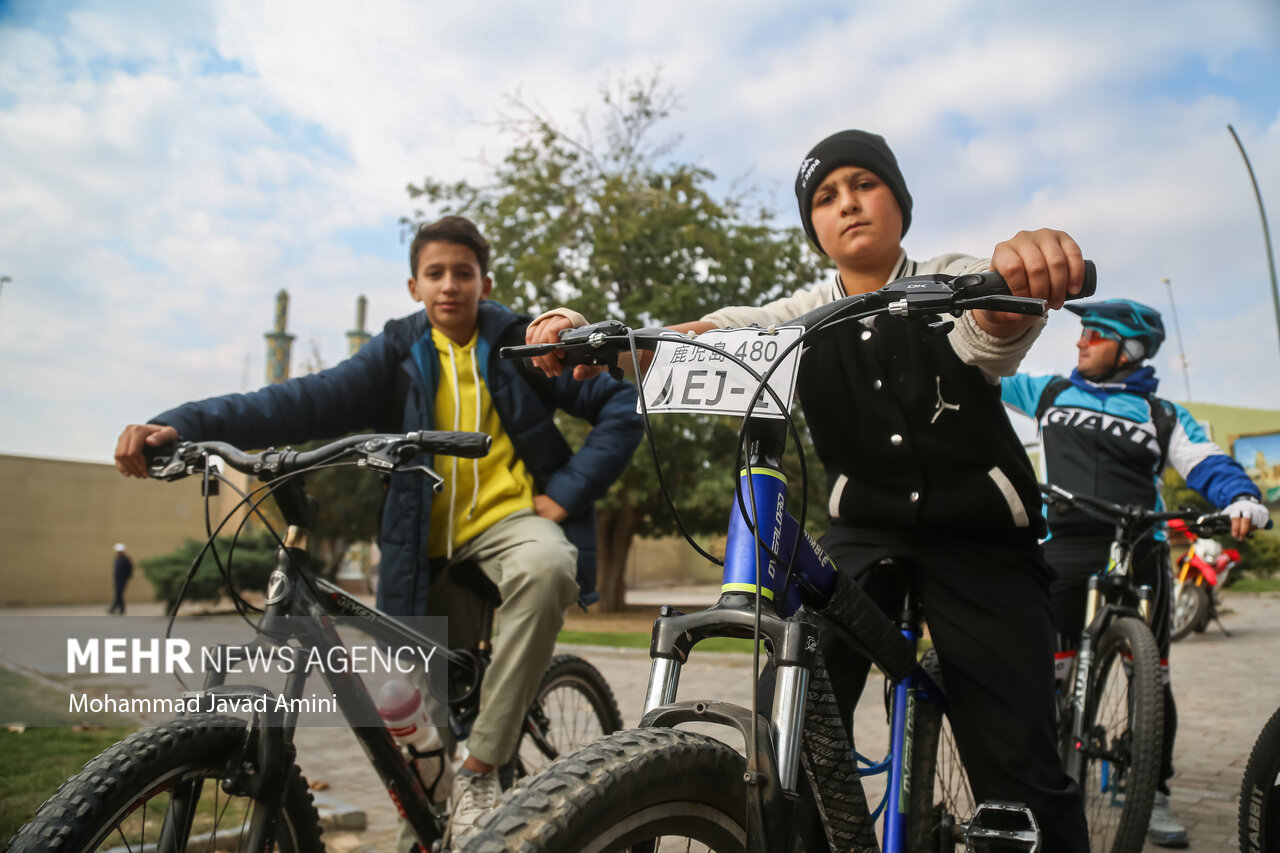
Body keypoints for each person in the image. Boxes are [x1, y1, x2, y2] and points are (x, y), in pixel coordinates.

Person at [526, 129, 1091, 851]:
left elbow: (991, 327)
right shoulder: (796, 316)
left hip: (982, 535)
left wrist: (1017, 277)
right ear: (814, 228)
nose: (847, 203)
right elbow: (711, 335)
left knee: (1018, 760)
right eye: (825, 196)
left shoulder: (952, 277)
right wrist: (605, 340)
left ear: (900, 202)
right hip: (865, 530)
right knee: (790, 722)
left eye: (864, 184)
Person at [114, 215, 644, 844]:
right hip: (419, 556)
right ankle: (443, 797)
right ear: (414, 286)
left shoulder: (516, 343)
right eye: (435, 273)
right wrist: (182, 425)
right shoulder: (396, 353)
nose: (450, 285)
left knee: (548, 567)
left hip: (509, 525)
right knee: (419, 766)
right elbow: (297, 401)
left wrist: (564, 494)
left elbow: (619, 401)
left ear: (486, 281)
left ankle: (482, 766)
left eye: (464, 273)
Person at [1002, 298, 1269, 847]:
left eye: (1095, 334)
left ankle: (1152, 791)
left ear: (1131, 349)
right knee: (1046, 670)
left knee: (1153, 676)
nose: (1080, 342)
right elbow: (981, 370)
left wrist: (1240, 497)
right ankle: (1041, 780)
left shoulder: (1160, 413)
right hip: (1066, 545)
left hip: (1140, 545)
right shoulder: (1049, 392)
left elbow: (1207, 462)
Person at [108, 543, 132, 615]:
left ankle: (113, 607)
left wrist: (127, 577)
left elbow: (130, 569)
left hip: (123, 579)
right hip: (117, 578)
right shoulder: (117, 558)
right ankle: (121, 609)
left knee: (119, 593)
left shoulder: (126, 559)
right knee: (118, 594)